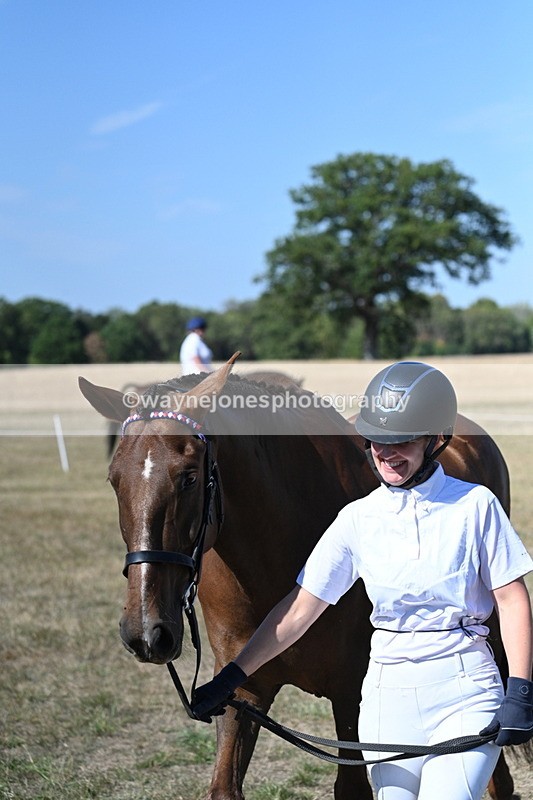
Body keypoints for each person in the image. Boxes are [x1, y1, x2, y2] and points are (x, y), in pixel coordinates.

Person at [192, 361, 533, 800]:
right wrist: (232, 676)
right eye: (377, 440)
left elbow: (512, 599)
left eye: (403, 441)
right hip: (386, 697)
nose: (387, 453)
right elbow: (299, 609)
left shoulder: (476, 506)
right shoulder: (356, 519)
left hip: (464, 688)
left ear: (436, 439)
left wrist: (521, 689)